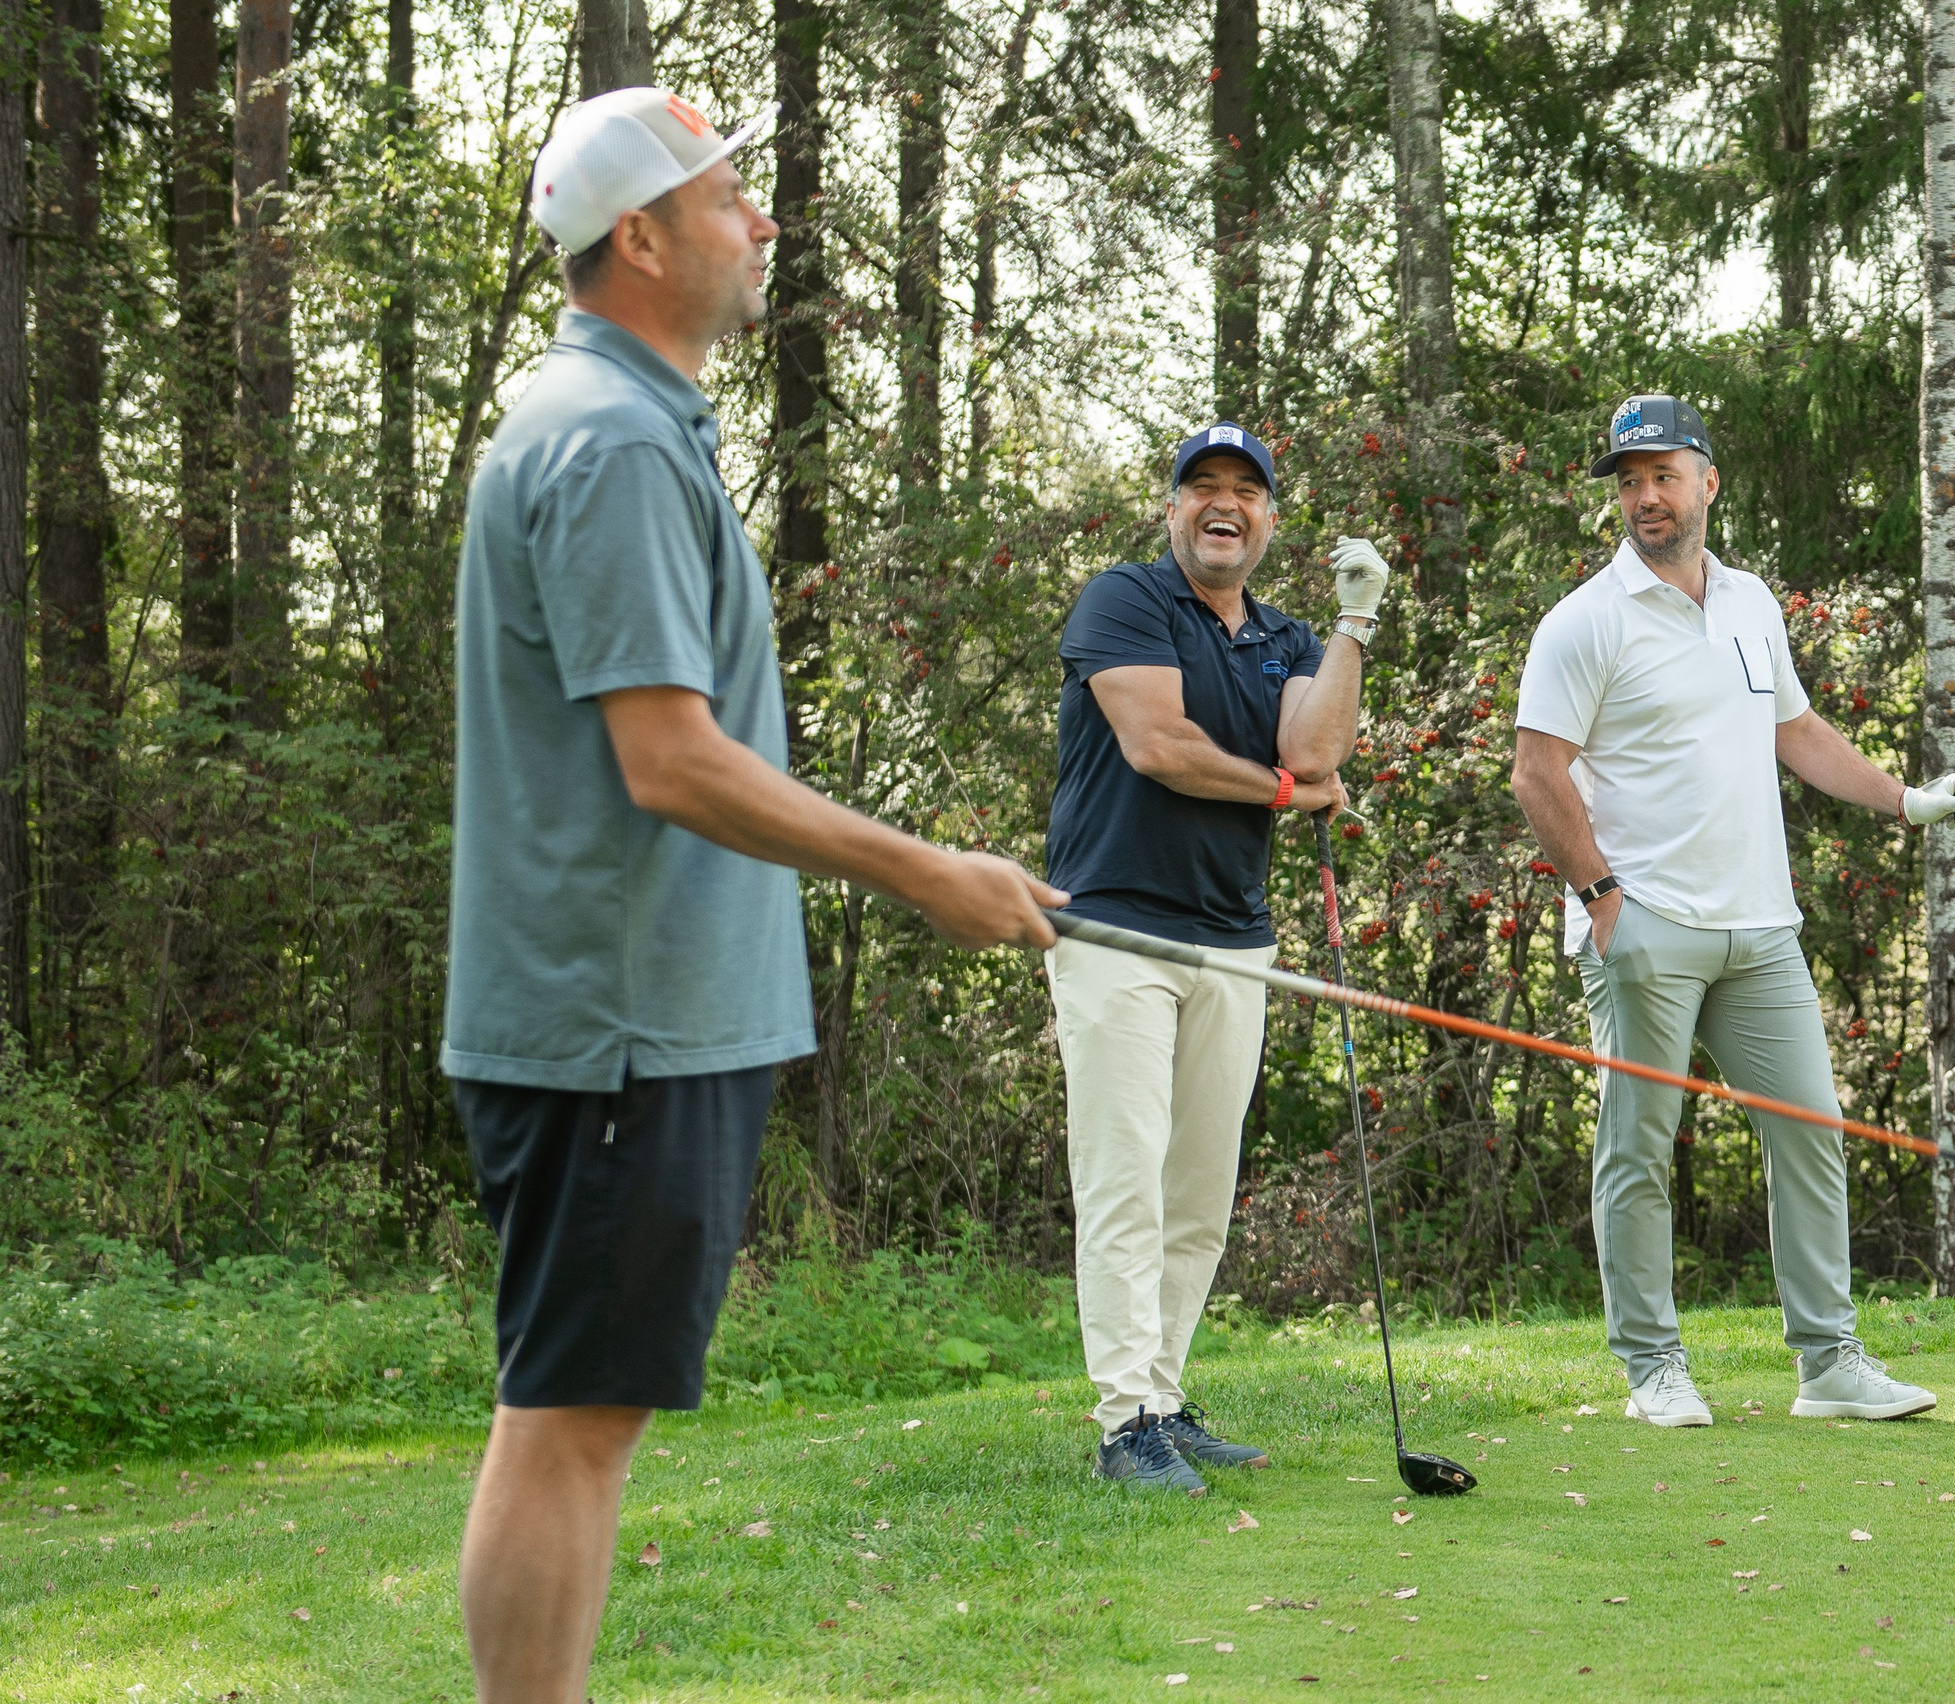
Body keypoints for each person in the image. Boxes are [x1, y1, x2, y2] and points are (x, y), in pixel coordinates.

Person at [442, 87, 1063, 1704]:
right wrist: (924, 868)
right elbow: (670, 761)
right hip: (614, 1029)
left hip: (655, 1024)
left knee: (585, 1409)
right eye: (729, 198)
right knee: (568, 1417)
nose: (762, 223)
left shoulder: (633, 423)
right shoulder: (610, 440)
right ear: (637, 236)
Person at [1512, 395, 1955, 1429]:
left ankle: (1829, 1364)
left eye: (1662, 475)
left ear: (1707, 483)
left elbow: (1797, 731)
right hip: (1645, 928)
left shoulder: (1749, 602)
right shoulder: (1585, 621)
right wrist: (1599, 898)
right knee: (1637, 1148)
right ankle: (1653, 1369)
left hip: (1759, 929)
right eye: (1628, 480)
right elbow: (1536, 772)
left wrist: (1907, 802)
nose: (1644, 496)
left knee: (1809, 1132)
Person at [1043, 423, 1387, 1494]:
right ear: (1172, 508)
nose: (1223, 505)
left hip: (1234, 941)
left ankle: (1163, 1393)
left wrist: (1355, 624)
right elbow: (1161, 748)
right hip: (1115, 929)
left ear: (1270, 519)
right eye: (1203, 488)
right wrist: (1288, 793)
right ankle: (1121, 1425)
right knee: (1124, 1181)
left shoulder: (1282, 637)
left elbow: (1316, 745)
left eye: (1245, 491)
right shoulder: (1126, 600)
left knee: (1196, 1191)